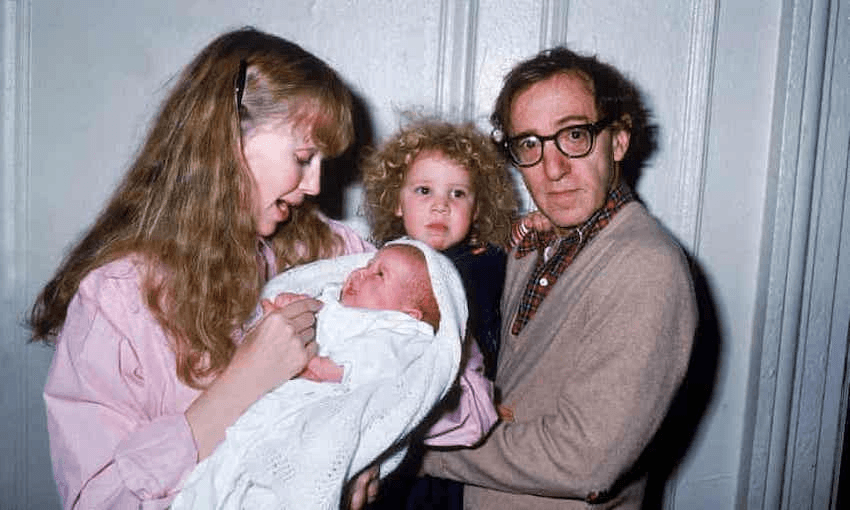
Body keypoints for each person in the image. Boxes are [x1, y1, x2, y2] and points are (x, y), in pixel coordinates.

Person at [27, 27, 378, 509]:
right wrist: (240, 386)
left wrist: (369, 448)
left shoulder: (336, 252)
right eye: (303, 158)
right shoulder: (116, 299)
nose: (316, 185)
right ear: (227, 141)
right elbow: (98, 499)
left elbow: (437, 368)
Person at [417, 47, 698, 508]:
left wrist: (420, 447)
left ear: (619, 139)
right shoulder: (536, 244)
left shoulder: (647, 267)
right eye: (530, 143)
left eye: (574, 135)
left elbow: (584, 460)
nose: (553, 168)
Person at [172, 239, 471, 509]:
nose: (359, 273)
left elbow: (380, 367)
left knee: (282, 480)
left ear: (410, 313)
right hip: (275, 403)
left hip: (321, 411)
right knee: (223, 467)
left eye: (379, 275)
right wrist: (287, 305)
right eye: (366, 265)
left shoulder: (401, 333)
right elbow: (300, 320)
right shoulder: (334, 301)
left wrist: (322, 367)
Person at [361, 119, 517, 508]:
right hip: (387, 423)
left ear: (477, 208)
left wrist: (534, 227)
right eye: (424, 190)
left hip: (450, 429)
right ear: (397, 201)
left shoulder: (485, 265)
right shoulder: (379, 263)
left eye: (458, 193)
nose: (440, 204)